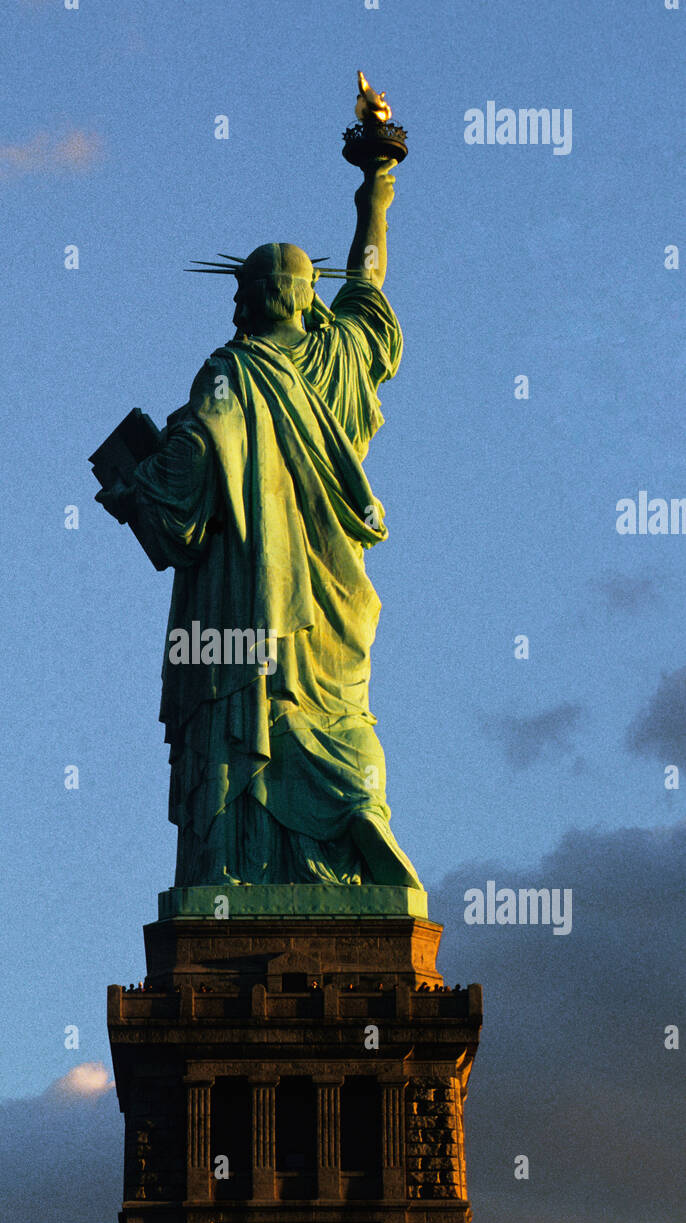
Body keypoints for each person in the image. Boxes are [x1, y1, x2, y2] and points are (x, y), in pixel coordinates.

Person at [97, 160, 421, 890]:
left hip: (244, 603)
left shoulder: (229, 373)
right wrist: (378, 180)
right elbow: (369, 281)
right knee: (334, 714)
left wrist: (129, 485)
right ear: (312, 303)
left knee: (251, 707)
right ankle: (352, 815)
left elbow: (180, 486)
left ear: (242, 306)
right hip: (330, 604)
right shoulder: (342, 356)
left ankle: (237, 865)